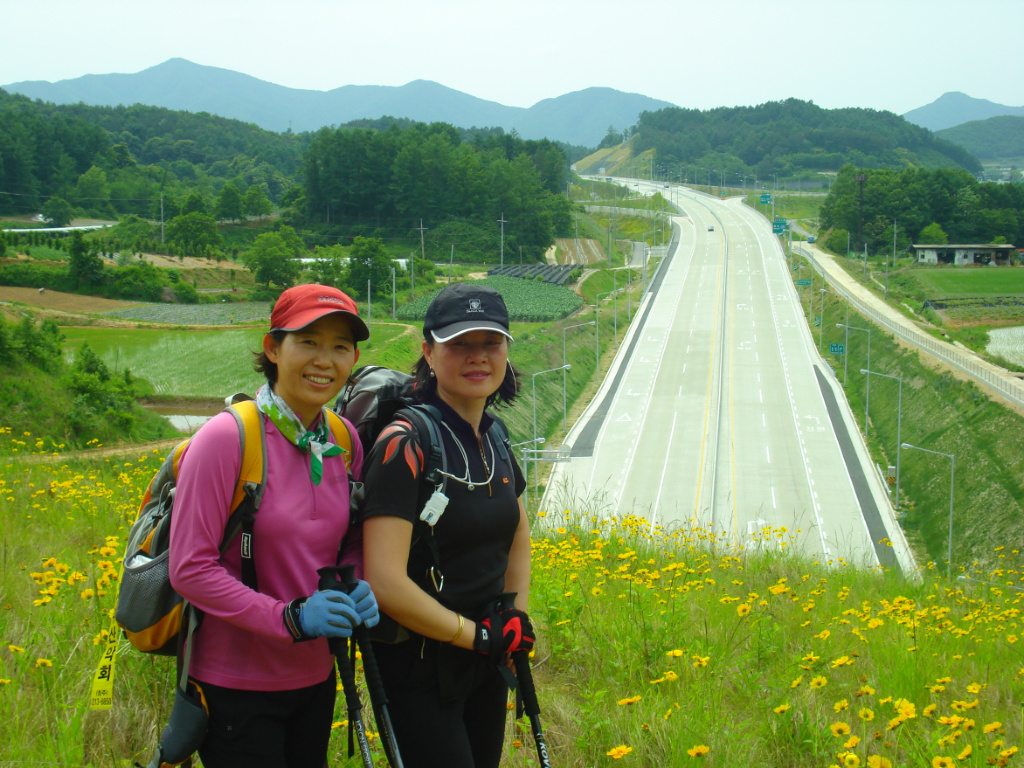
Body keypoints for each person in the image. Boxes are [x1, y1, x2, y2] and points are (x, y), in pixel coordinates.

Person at [169, 283, 379, 768]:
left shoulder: (344, 439)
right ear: (272, 347)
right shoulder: (228, 438)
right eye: (308, 341)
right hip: (234, 688)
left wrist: (356, 578)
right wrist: (289, 618)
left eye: (340, 347)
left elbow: (349, 536)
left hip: (316, 678)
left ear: (353, 359)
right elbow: (190, 569)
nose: (324, 360)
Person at [362, 283, 535, 768]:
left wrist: (513, 616)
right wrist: (475, 635)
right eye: (459, 344)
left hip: (486, 655)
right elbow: (385, 580)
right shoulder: (406, 444)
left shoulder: (494, 436)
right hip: (420, 667)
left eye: (491, 343)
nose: (477, 357)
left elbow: (516, 533)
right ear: (428, 354)